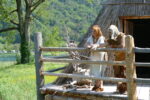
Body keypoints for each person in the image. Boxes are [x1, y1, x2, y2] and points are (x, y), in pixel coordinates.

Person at [85, 25, 106, 92]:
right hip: (93, 57)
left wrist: (97, 45)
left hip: (100, 57)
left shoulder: (101, 38)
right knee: (94, 71)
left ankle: (99, 86)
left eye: (94, 31)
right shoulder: (91, 38)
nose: (93, 32)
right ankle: (96, 85)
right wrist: (89, 46)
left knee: (99, 71)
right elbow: (86, 44)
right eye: (93, 31)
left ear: (97, 32)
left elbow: (103, 44)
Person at [107, 25, 127, 94]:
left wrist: (114, 46)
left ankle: (124, 90)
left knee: (123, 74)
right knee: (117, 74)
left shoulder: (121, 36)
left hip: (123, 58)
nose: (110, 33)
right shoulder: (115, 38)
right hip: (117, 57)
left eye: (111, 32)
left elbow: (122, 46)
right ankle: (119, 89)